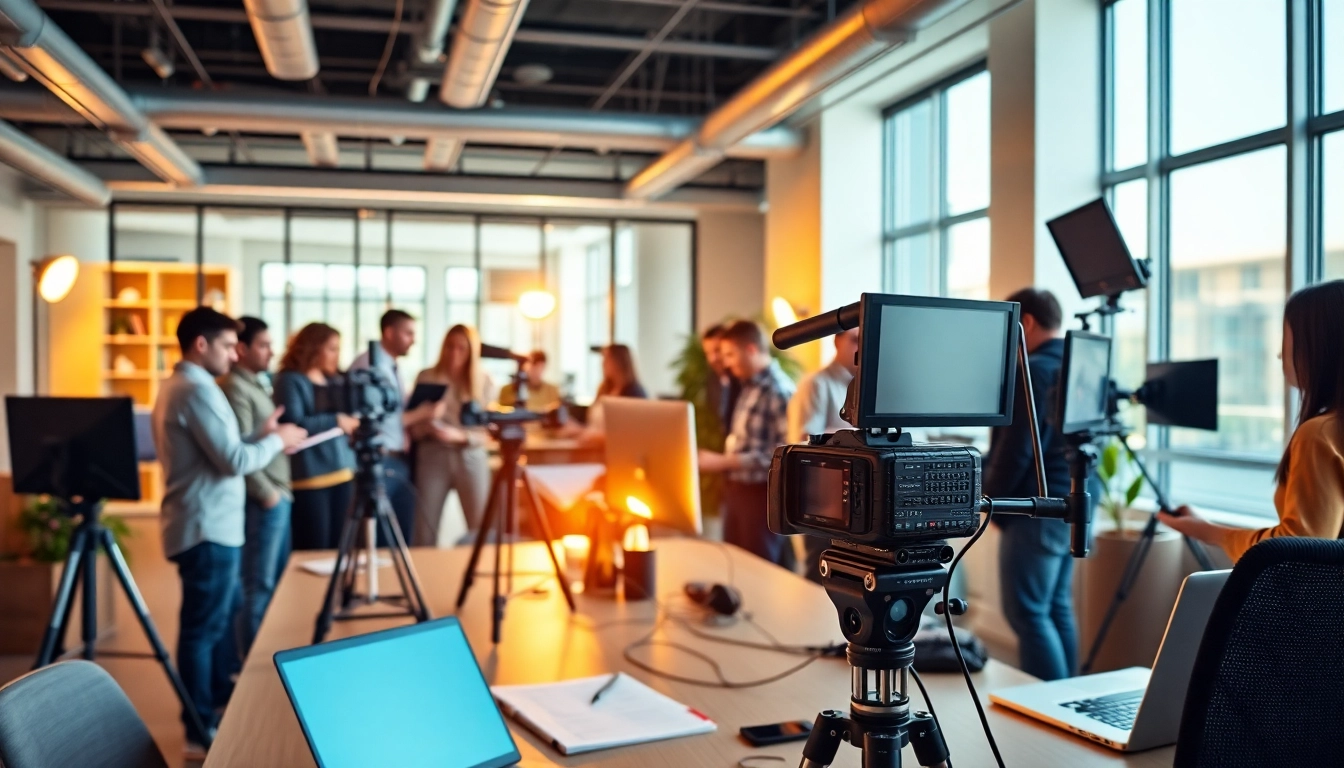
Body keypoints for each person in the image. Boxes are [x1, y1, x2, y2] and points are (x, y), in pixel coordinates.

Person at [152, 307, 306, 745]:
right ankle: (199, 728)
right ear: (201, 345)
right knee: (202, 630)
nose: (233, 355)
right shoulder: (196, 390)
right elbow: (234, 461)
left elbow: (224, 449)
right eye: (225, 345)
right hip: (207, 527)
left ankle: (217, 702)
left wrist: (261, 434)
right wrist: (278, 440)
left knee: (217, 621)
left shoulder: (180, 385)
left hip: (206, 524)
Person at [1159, 280, 1344, 560]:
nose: (1280, 354)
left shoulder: (1319, 434)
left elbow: (1297, 555)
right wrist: (1207, 528)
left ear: (1317, 345)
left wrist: (1211, 533)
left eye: (1287, 337)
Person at [984, 288, 1075, 681]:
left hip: (1034, 509)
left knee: (1028, 613)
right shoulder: (1078, 365)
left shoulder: (1032, 370)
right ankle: (1069, 701)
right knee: (1056, 607)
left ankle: (1050, 707)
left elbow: (1015, 449)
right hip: (1074, 504)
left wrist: (992, 504)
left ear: (1028, 322)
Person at [217, 316, 291, 659]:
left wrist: (277, 438)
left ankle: (260, 660)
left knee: (270, 586)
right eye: (263, 345)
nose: (271, 351)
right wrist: (268, 495)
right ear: (242, 349)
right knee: (257, 586)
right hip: (265, 498)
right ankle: (253, 667)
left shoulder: (257, 383)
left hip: (277, 492)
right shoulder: (235, 387)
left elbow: (255, 437)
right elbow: (239, 453)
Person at [698, 320, 795, 564]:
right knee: (736, 564)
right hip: (738, 491)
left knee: (758, 569)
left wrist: (724, 462)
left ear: (751, 349)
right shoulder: (748, 386)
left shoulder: (779, 391)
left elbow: (784, 454)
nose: (726, 363)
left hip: (759, 497)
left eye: (730, 354)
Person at [349, 309, 437, 545]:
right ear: (389, 332)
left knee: (399, 537)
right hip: (379, 459)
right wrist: (421, 414)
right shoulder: (368, 365)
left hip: (399, 460)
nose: (413, 340)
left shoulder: (391, 366)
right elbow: (370, 417)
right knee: (378, 538)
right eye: (408, 333)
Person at [274, 323, 359, 551]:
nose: (337, 355)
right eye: (331, 348)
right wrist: (337, 420)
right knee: (314, 545)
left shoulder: (336, 379)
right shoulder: (290, 380)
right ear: (313, 348)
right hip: (310, 476)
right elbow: (294, 423)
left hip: (342, 472)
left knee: (339, 546)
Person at [409, 324, 496, 544]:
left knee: (480, 527)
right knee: (425, 527)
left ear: (471, 351)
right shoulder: (427, 376)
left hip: (470, 456)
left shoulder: (484, 381)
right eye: (450, 347)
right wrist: (427, 424)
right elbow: (412, 425)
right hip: (433, 456)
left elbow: (489, 431)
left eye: (461, 348)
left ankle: (477, 575)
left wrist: (459, 436)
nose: (454, 353)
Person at [787, 327, 860, 582]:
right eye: (855, 339)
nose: (860, 347)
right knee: (819, 574)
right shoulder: (816, 384)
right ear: (837, 341)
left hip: (853, 501)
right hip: (822, 501)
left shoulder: (865, 388)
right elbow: (804, 440)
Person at [702, 324, 741, 438]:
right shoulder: (712, 381)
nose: (712, 359)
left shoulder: (744, 383)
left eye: (717, 351)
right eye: (708, 353)